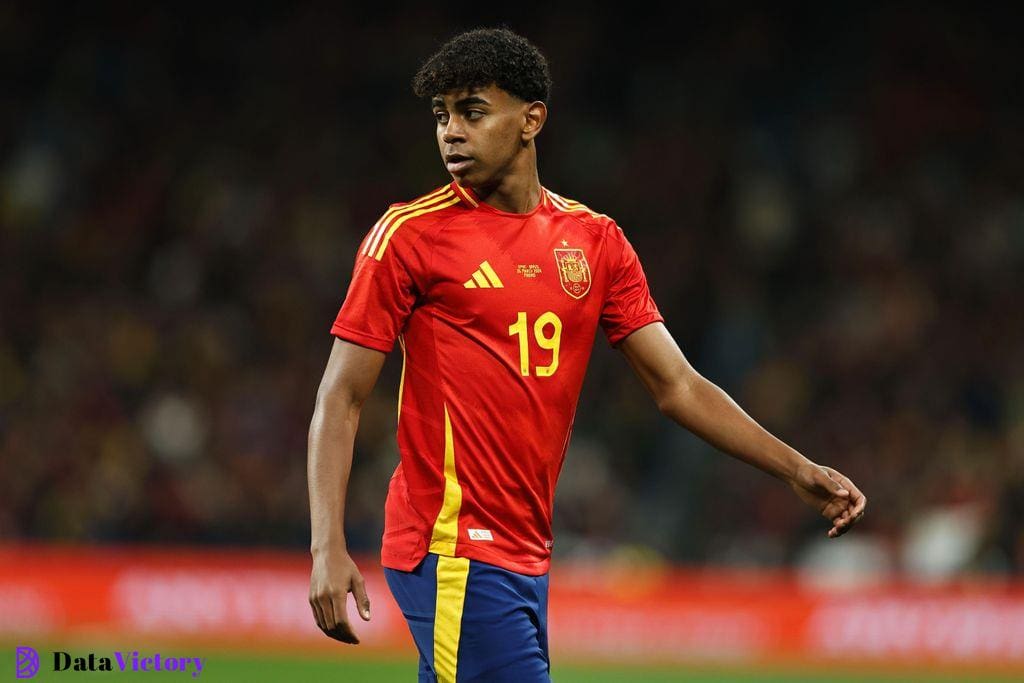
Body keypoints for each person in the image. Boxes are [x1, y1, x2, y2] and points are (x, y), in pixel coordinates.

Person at [307, 27, 866, 683]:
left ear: (531, 119)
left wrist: (795, 468)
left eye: (472, 111)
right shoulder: (409, 236)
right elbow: (340, 397)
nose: (451, 131)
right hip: (452, 548)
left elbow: (678, 385)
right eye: (442, 115)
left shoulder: (594, 242)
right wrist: (327, 545)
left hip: (526, 553)